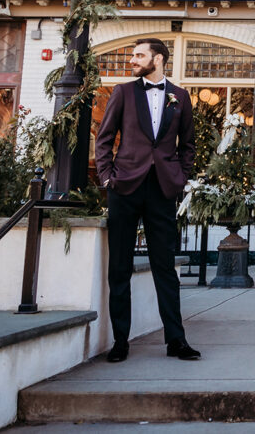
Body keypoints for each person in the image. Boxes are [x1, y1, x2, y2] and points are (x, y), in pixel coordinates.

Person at [95, 38, 200, 362]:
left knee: (165, 267)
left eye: (139, 55)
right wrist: (107, 176)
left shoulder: (179, 97)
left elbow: (189, 145)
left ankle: (176, 340)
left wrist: (180, 178)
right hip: (124, 187)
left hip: (162, 190)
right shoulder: (123, 93)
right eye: (133, 55)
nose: (133, 60)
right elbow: (105, 138)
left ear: (158, 58)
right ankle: (121, 341)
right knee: (120, 267)